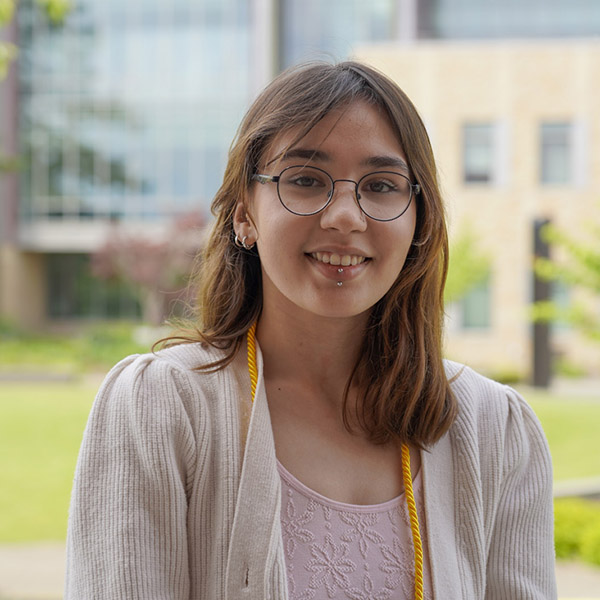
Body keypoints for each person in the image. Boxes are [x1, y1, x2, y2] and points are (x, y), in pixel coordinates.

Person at [65, 61, 556, 600]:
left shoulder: (494, 429)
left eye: (382, 185)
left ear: (419, 218)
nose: (345, 215)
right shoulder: (161, 410)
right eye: (304, 179)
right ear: (243, 214)